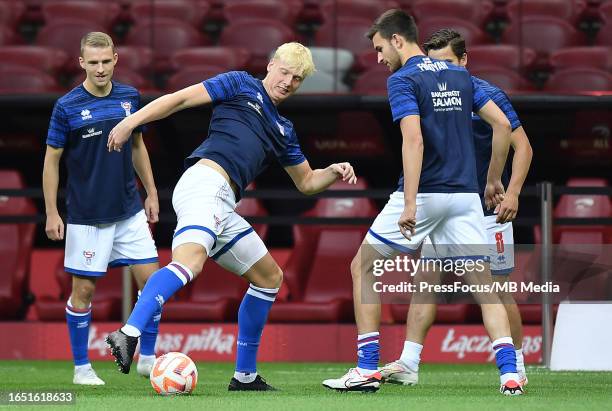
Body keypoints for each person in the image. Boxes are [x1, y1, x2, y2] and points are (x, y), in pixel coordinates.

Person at [104, 42, 357, 391]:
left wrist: (331, 170)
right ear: (270, 66)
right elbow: (178, 99)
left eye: (297, 79)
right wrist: (131, 121)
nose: (288, 82)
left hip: (224, 204)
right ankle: (128, 333)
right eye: (284, 72)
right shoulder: (240, 84)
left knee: (269, 277)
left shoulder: (283, 128)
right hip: (204, 183)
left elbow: (306, 182)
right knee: (190, 264)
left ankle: (245, 377)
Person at [322, 10, 523, 395]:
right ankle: (510, 374)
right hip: (465, 197)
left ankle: (366, 368)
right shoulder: (461, 76)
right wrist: (493, 179)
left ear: (398, 40)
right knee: (486, 288)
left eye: (380, 48)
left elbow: (412, 141)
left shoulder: (403, 79)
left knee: (362, 267)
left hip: (427, 193)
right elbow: (501, 125)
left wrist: (411, 203)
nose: (379, 58)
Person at [380, 28, 533, 388]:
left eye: (447, 62)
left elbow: (522, 147)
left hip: (488, 209)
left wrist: (510, 192)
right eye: (433, 63)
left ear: (464, 61)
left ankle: (519, 365)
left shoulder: (486, 94)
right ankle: (409, 362)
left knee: (496, 286)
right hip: (448, 202)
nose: (439, 70)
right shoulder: (427, 93)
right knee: (425, 281)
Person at [43, 32, 161, 385]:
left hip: (128, 209)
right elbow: (51, 161)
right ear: (81, 63)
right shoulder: (66, 106)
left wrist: (151, 192)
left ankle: (149, 358)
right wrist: (52, 211)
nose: (99, 68)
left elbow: (138, 147)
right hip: (87, 215)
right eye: (92, 62)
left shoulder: (129, 97)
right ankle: (82, 368)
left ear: (115, 59)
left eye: (105, 61)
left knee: (154, 284)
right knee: (84, 292)